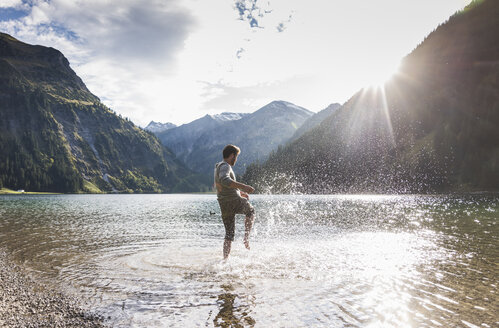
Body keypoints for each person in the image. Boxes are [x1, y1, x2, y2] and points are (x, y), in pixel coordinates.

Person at [214, 144, 255, 259]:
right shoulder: (225, 166)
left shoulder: (218, 166)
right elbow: (225, 180)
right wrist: (244, 187)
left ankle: (225, 260)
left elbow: (222, 186)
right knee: (251, 211)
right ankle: (246, 238)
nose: (236, 159)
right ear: (232, 155)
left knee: (229, 234)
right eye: (236, 156)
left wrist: (239, 192)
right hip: (232, 201)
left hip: (224, 203)